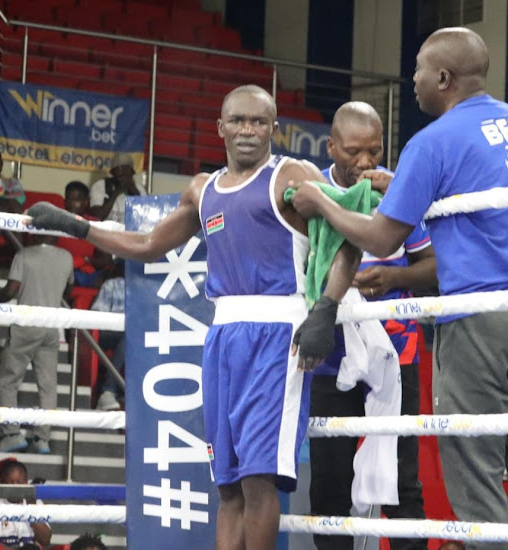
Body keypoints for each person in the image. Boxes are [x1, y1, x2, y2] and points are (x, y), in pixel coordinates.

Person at [28, 84, 360, 550]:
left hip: (279, 333)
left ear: (274, 128)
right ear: (220, 127)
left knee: (259, 480)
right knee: (227, 485)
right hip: (222, 334)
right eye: (239, 121)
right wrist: (77, 226)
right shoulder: (203, 190)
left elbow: (349, 239)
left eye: (259, 122)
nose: (248, 130)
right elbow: (147, 245)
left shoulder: (293, 176)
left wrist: (326, 307)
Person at [288, 28, 508, 550]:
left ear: (443, 78)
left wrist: (322, 202)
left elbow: (380, 235)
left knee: (476, 465)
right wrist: (401, 181)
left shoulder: (434, 140)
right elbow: (481, 198)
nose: (414, 78)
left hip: (482, 316)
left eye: (420, 68)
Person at [310, 101, 436, 550]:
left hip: (396, 354)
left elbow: (435, 268)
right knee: (329, 485)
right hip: (329, 354)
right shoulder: (310, 193)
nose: (365, 162)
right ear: (331, 147)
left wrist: (394, 278)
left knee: (404, 485)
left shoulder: (396, 192)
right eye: (353, 151)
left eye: (374, 151)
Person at [0, 234, 74, 454]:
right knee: (48, 385)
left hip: (26, 325)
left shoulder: (24, 254)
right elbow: (69, 289)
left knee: (7, 381)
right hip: (50, 326)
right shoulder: (67, 257)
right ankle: (42, 439)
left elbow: (10, 291)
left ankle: (12, 434)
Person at [0, 460, 52, 548]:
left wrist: (32, 510)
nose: (15, 488)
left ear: (26, 482)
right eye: (10, 483)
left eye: (19, 483)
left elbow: (45, 540)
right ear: (2, 483)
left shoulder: (35, 503)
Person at [57, 181, 114, 288]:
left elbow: (106, 260)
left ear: (86, 202)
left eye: (76, 200)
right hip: (59, 271)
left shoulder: (94, 224)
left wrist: (85, 260)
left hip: (84, 273)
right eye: (68, 199)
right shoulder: (56, 221)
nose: (71, 203)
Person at [90, 261, 125, 411]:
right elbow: (97, 314)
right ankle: (108, 392)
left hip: (137, 336)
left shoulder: (146, 289)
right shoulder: (113, 285)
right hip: (108, 332)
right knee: (128, 338)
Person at [89, 153, 147, 223]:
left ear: (132, 174)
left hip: (129, 233)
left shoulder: (139, 189)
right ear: (112, 174)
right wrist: (116, 192)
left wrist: (134, 192)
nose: (123, 179)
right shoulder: (100, 186)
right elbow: (98, 216)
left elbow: (145, 218)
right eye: (120, 175)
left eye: (127, 175)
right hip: (106, 232)